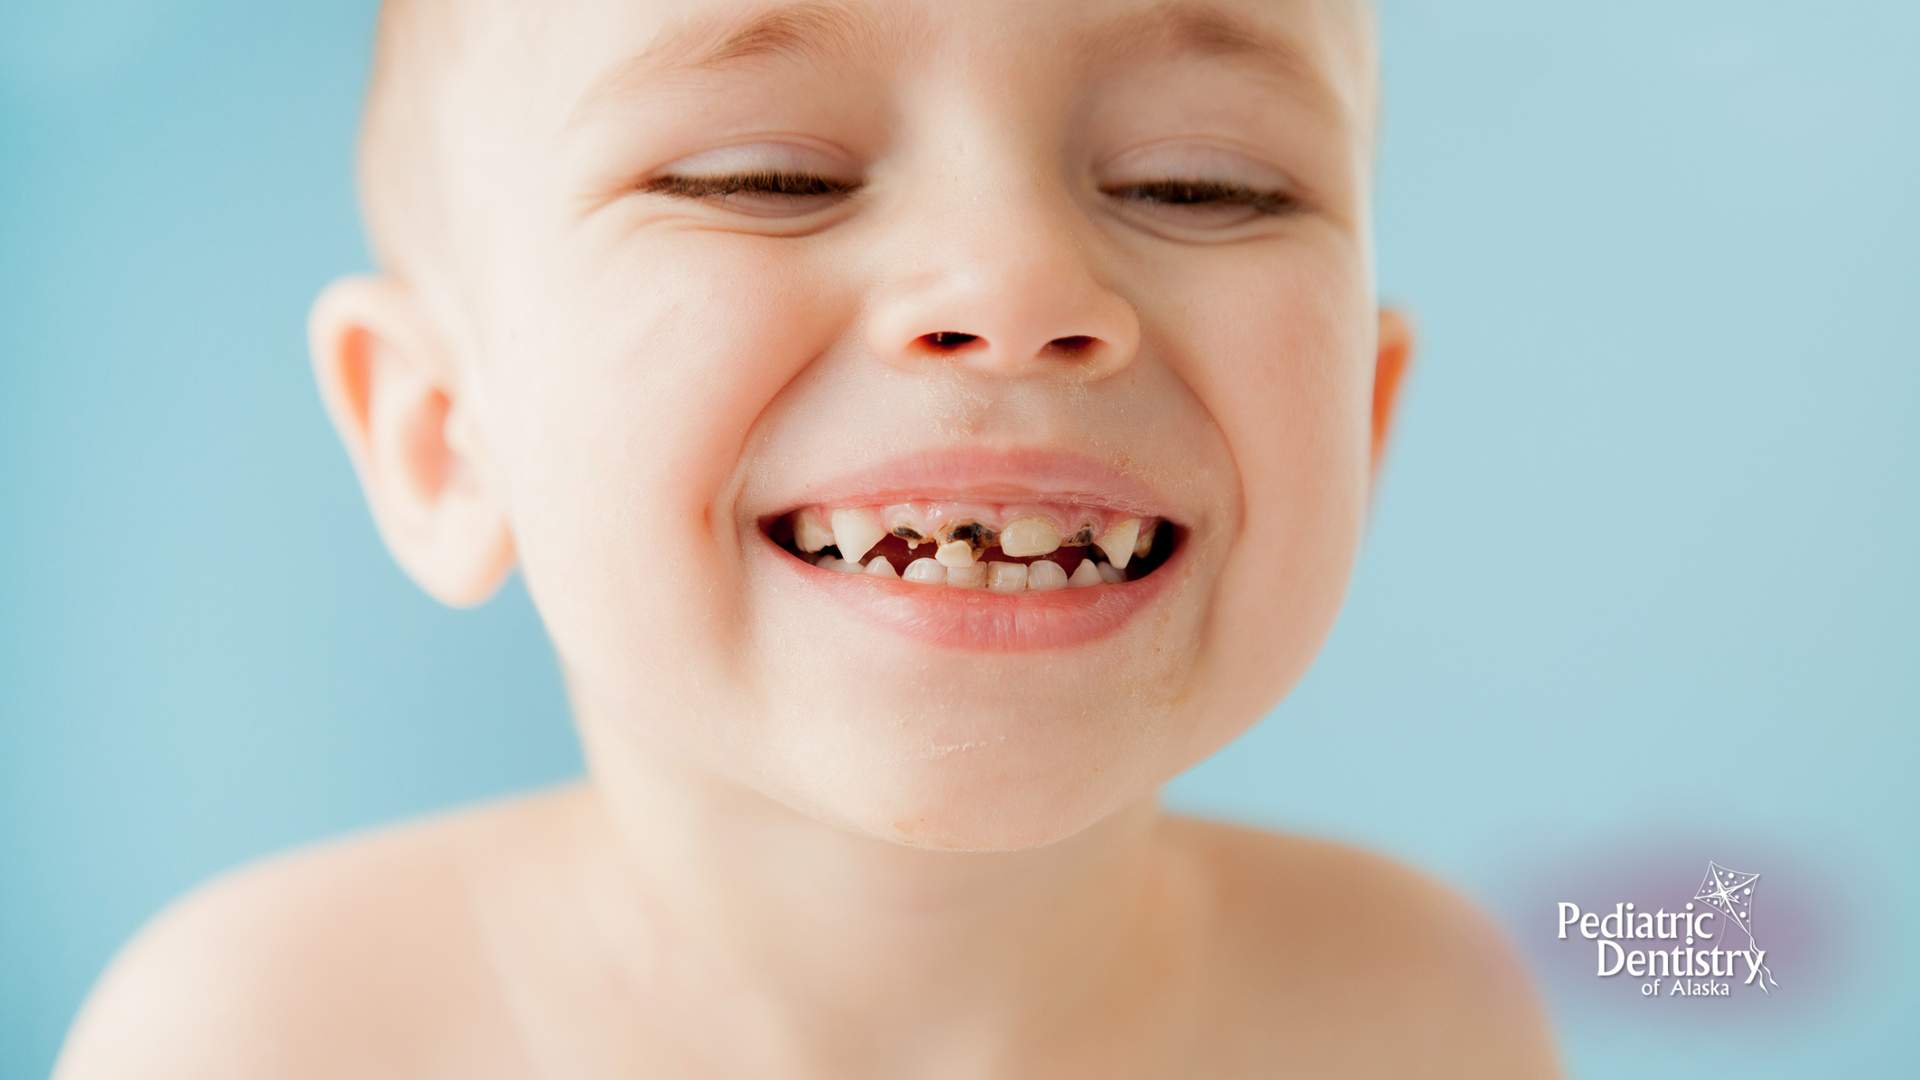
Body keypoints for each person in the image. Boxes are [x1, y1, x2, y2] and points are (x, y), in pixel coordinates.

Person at [55, 0, 1559, 1075]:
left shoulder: (1427, 1012)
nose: (1019, 282)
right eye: (765, 179)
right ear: (443, 435)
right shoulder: (262, 1038)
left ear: (1359, 425)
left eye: (1199, 184)